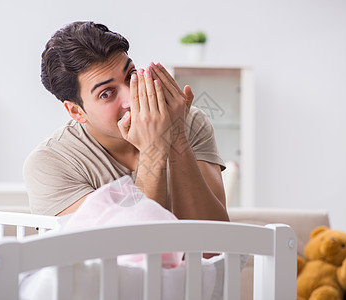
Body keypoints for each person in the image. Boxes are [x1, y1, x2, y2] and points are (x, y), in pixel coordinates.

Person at [23, 21, 229, 222]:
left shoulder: (187, 120)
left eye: (130, 76)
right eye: (106, 94)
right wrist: (153, 149)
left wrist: (177, 136)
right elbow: (129, 252)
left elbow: (214, 248)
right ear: (76, 111)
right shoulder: (50, 163)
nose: (131, 98)